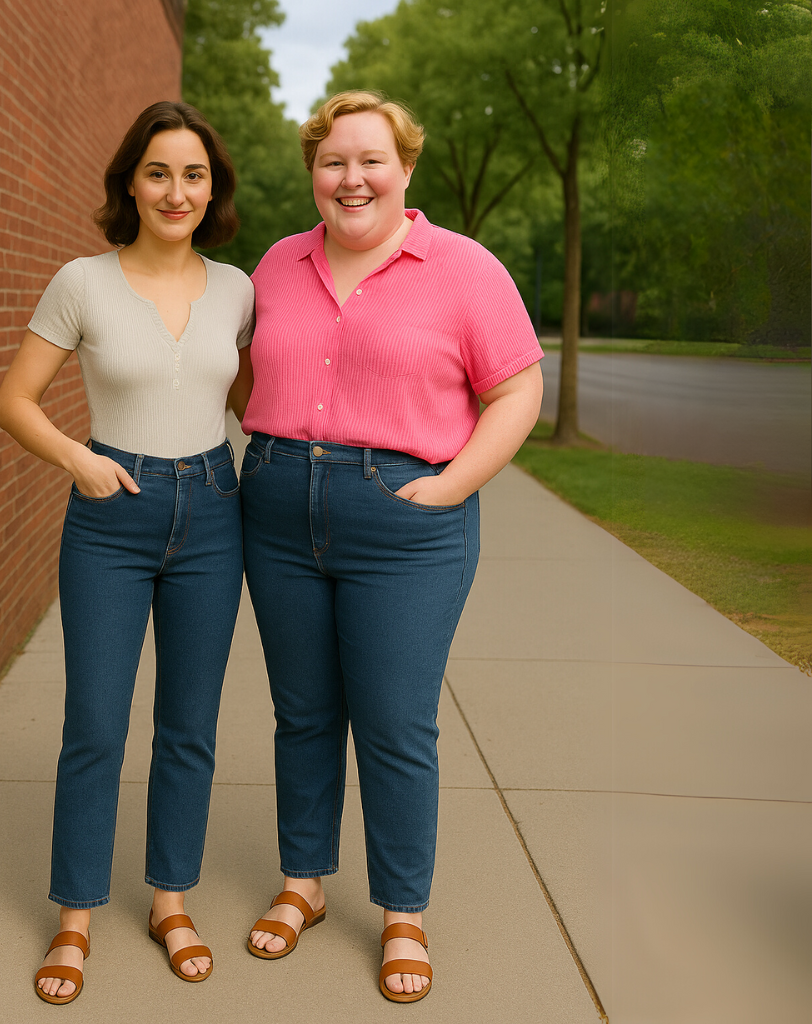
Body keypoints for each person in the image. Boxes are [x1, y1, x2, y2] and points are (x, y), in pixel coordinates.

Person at [240, 91, 544, 1003]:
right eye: (333, 162)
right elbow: (249, 372)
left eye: (371, 160)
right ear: (313, 173)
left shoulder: (463, 268)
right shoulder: (277, 264)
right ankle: (304, 884)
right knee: (301, 711)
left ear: (406, 169)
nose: (352, 178)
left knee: (394, 721)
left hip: (405, 517)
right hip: (280, 506)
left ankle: (403, 911)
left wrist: (451, 486)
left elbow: (519, 391)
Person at [0, 101, 255, 1004]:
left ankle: (170, 899)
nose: (176, 191)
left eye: (193, 174)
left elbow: (259, 404)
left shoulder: (238, 290)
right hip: (111, 515)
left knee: (188, 727)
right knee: (96, 726)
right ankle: (75, 916)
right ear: (129, 184)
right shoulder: (83, 282)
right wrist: (80, 458)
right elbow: (16, 400)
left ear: (211, 187)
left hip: (215, 514)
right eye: (158, 172)